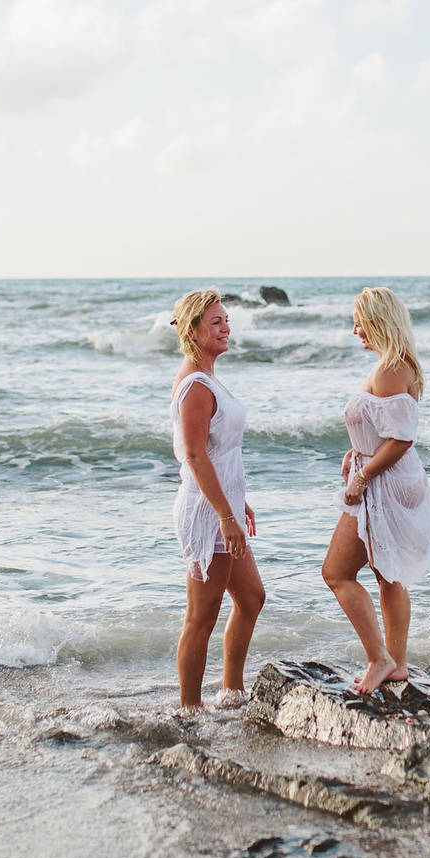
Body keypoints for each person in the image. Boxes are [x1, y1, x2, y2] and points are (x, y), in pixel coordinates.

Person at [323, 286, 430, 695]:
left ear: (379, 320)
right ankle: (397, 664)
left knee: (336, 573)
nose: (355, 330)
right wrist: (353, 451)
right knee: (388, 576)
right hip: (388, 479)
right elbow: (382, 429)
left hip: (384, 485)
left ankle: (380, 659)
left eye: (360, 321)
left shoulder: (391, 369)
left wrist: (362, 474)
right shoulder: (394, 365)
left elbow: (401, 439)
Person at [170, 289, 265, 713]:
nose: (226, 327)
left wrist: (237, 503)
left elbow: (219, 451)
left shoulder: (208, 376)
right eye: (215, 322)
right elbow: (194, 455)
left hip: (223, 507)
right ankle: (188, 710)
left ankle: (231, 692)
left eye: (227, 320)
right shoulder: (194, 384)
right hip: (208, 514)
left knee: (251, 598)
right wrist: (226, 514)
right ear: (192, 331)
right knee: (201, 616)